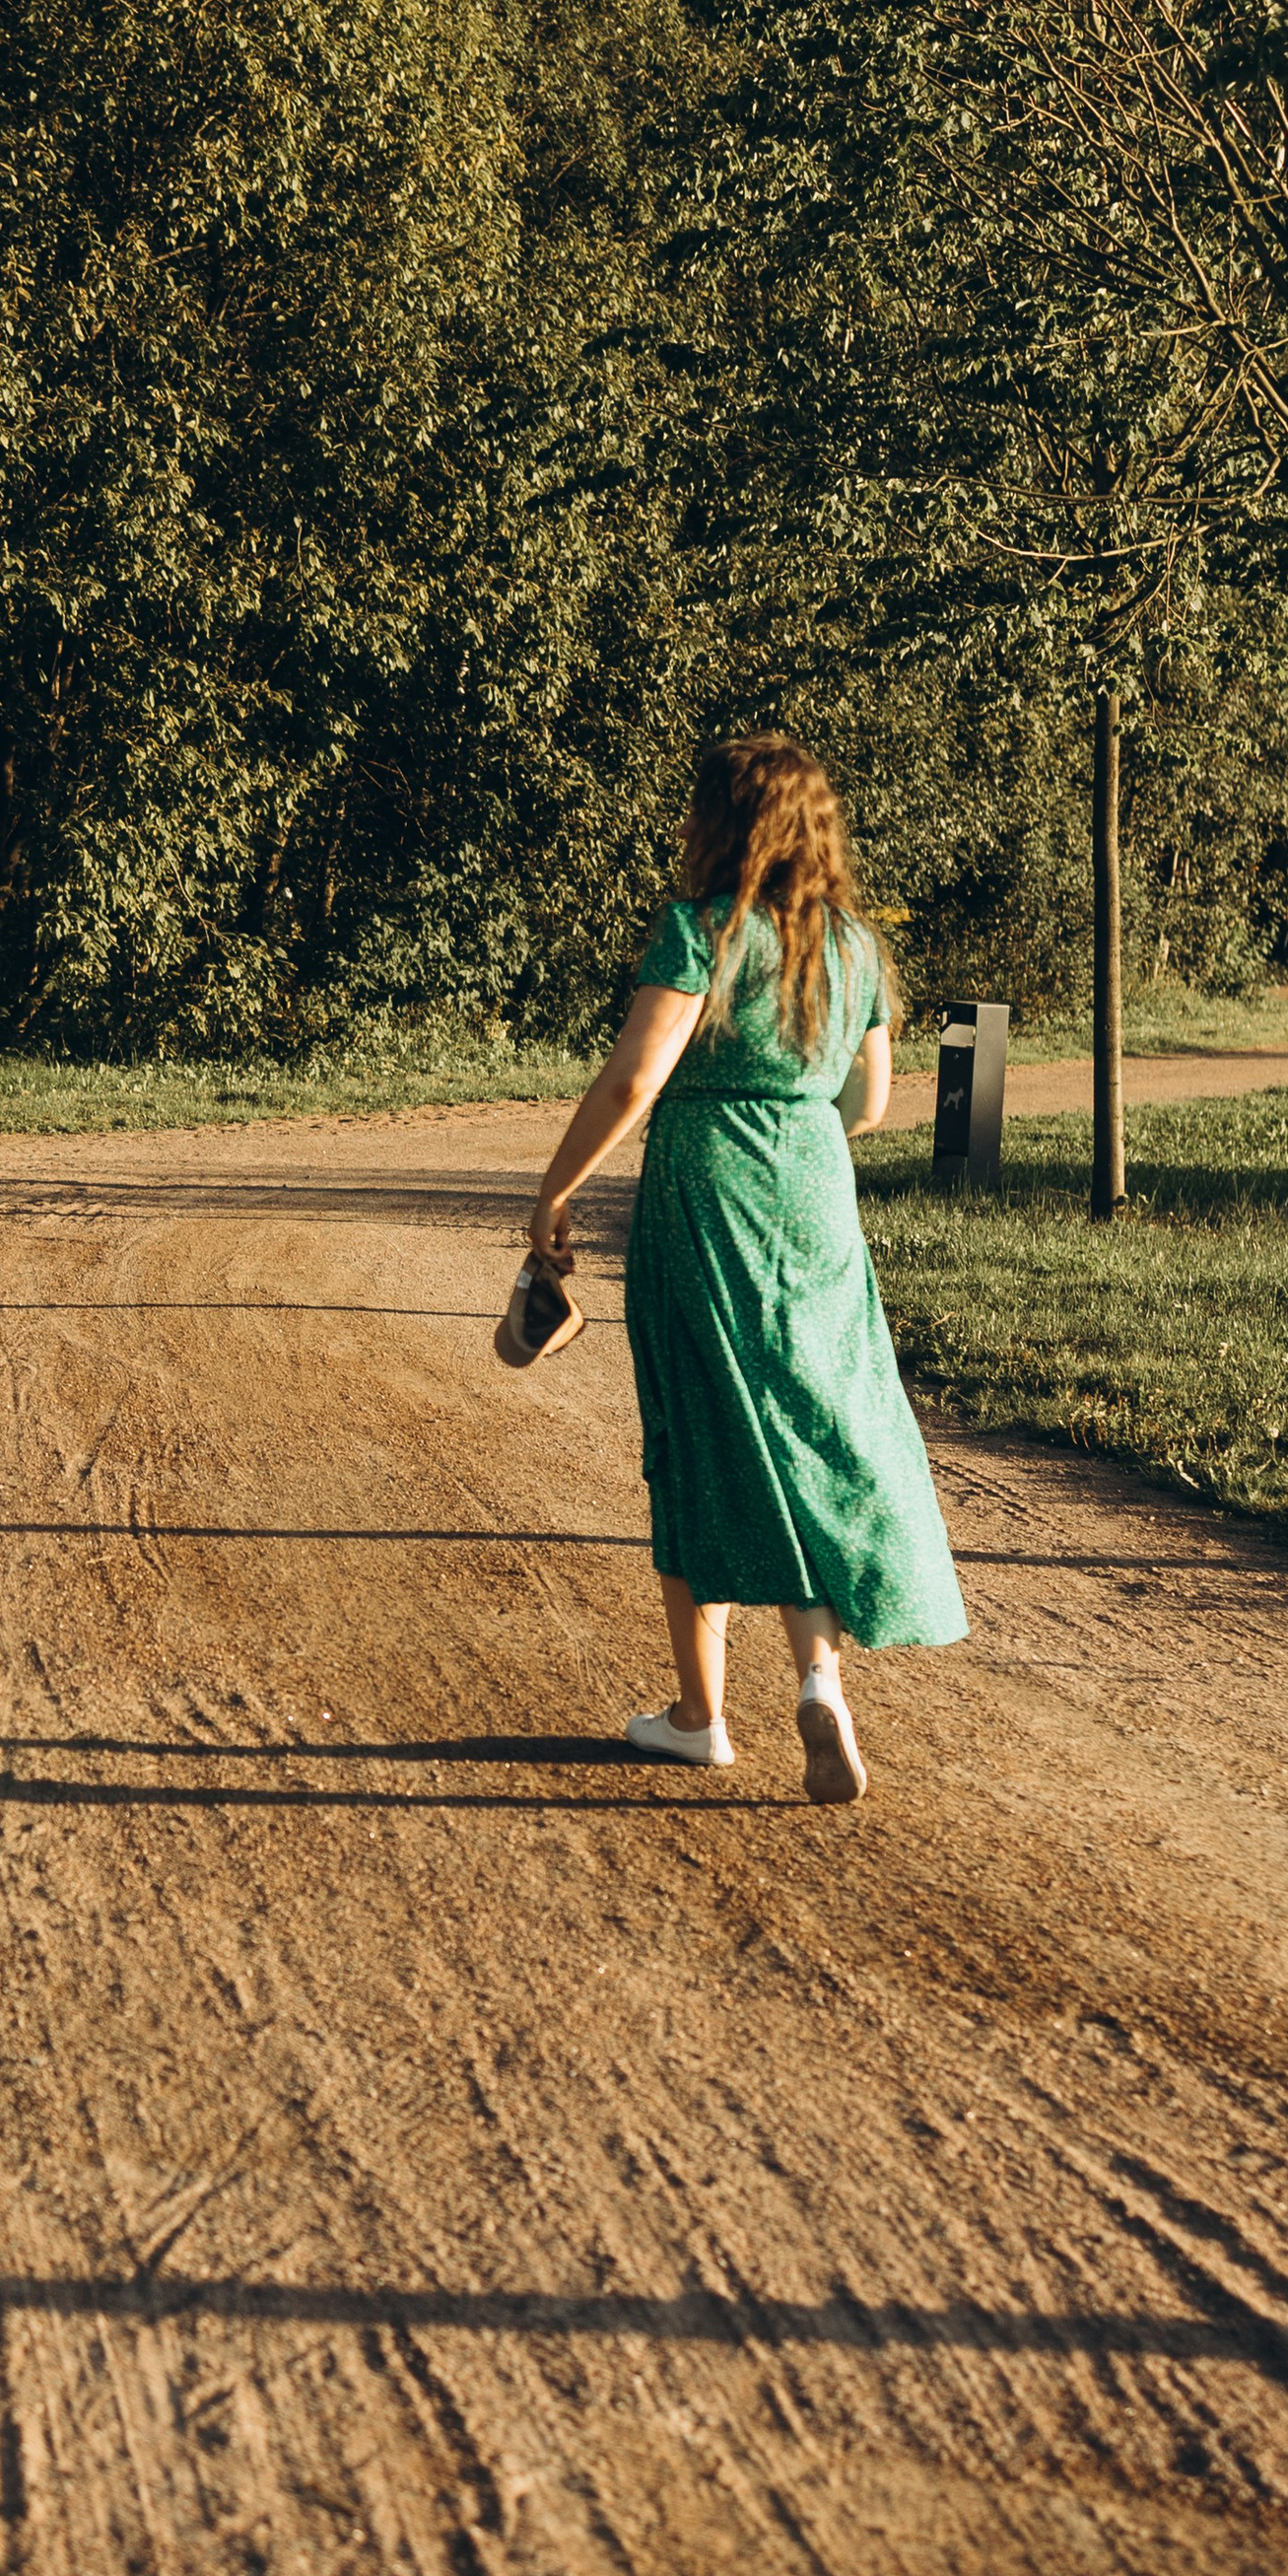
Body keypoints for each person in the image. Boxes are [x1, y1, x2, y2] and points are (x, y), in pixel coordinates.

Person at [527, 734, 965, 1803]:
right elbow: (869, 1103)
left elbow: (634, 1080)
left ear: (724, 823)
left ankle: (699, 1716)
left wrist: (555, 1189)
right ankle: (818, 1678)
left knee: (702, 1428)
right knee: (802, 1420)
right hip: (814, 1194)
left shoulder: (701, 931)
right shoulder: (854, 945)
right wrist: (792, 1122)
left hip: (706, 1188)